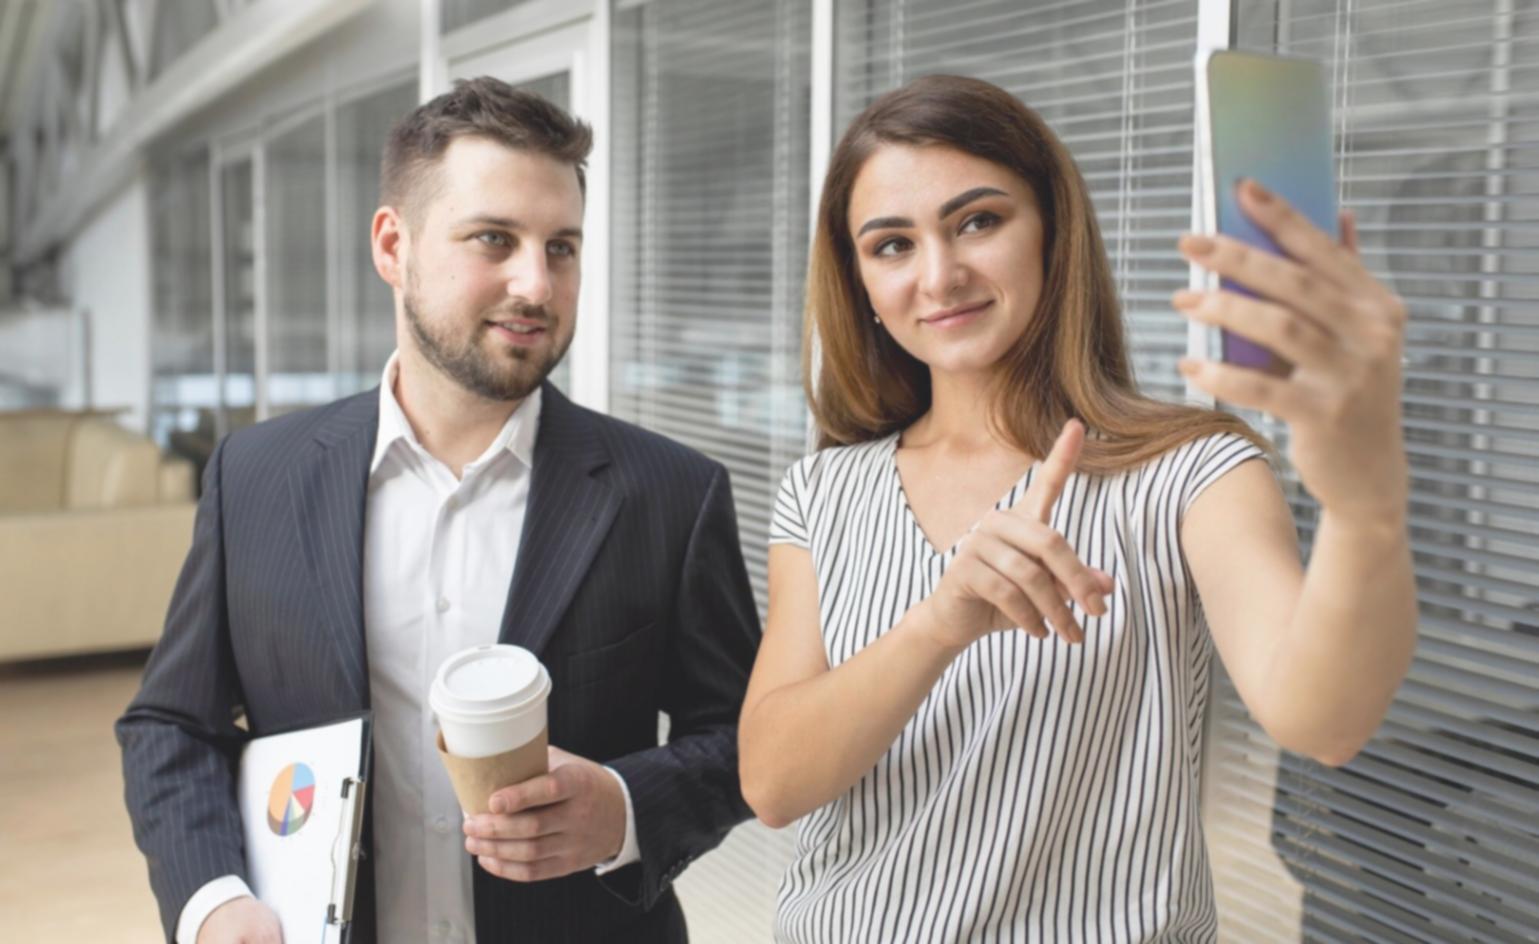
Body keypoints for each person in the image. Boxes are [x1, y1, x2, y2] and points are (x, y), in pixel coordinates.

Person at [739, 74, 1416, 941]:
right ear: (860, 283)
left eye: (977, 221)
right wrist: (938, 624)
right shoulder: (823, 490)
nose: (939, 274)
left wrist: (1367, 504)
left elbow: (1323, 722)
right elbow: (772, 784)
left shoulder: (1189, 470)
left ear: (1053, 233)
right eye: (892, 245)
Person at [117, 78, 760, 944]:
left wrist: (625, 809)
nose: (536, 283)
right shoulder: (256, 478)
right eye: (495, 238)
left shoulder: (670, 493)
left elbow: (742, 738)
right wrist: (211, 899)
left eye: (561, 248)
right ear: (393, 244)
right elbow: (170, 725)